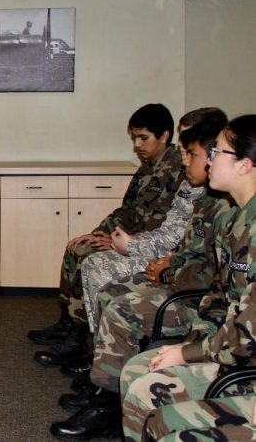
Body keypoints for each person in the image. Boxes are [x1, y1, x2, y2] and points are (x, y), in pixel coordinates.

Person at [49, 114, 228, 440]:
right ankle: (97, 371)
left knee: (113, 296)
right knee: (100, 278)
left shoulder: (224, 205)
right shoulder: (196, 189)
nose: (182, 156)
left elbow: (211, 270)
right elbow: (152, 224)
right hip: (169, 267)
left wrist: (158, 263)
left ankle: (106, 397)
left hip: (195, 295)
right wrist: (110, 235)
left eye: (191, 151)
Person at [119, 115, 256, 441]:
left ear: (245, 165)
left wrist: (188, 353)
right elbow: (220, 298)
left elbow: (248, 335)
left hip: (242, 363)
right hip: (230, 350)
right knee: (138, 373)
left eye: (218, 152)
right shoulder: (237, 222)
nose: (209, 159)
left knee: (156, 405)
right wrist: (191, 343)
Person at [31, 104, 184, 365]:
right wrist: (100, 232)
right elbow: (128, 210)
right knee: (77, 248)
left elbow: (160, 224)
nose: (137, 144)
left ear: (165, 136)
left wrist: (114, 241)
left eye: (143, 138)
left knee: (89, 256)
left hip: (144, 246)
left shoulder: (177, 170)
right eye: (134, 137)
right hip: (127, 237)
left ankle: (78, 338)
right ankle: (68, 322)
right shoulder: (148, 166)